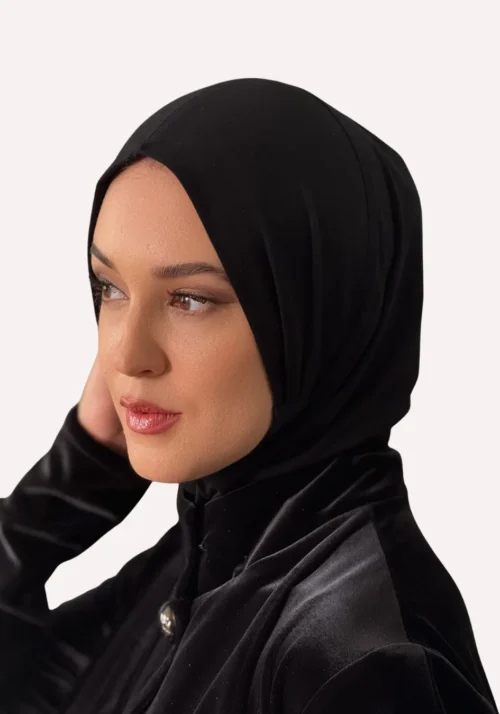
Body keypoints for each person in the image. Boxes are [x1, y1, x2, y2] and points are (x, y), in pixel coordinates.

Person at [0, 77, 497, 713]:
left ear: (318, 316)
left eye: (190, 298)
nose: (124, 355)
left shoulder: (363, 666)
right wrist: (75, 478)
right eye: (111, 288)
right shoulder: (204, 561)